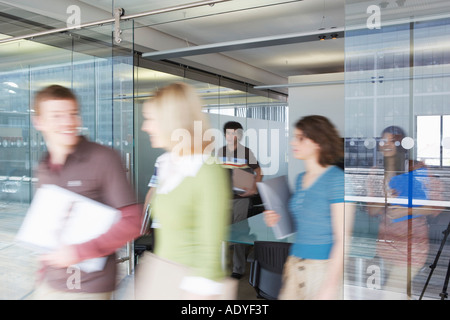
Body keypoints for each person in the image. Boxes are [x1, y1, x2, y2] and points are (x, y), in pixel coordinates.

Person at [30, 84, 141, 299]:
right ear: (39, 122)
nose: (68, 122)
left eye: (73, 114)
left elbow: (133, 221)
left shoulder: (104, 158)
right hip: (49, 283)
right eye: (57, 116)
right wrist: (42, 272)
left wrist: (78, 252)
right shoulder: (43, 166)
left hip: (88, 288)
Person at [140, 82, 231, 299]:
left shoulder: (206, 170)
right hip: (164, 275)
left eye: (151, 119)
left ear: (172, 121)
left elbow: (210, 250)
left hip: (192, 287)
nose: (145, 127)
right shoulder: (166, 163)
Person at [264, 115, 353, 300]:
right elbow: (304, 223)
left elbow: (343, 240)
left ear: (318, 142)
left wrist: (330, 286)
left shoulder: (337, 179)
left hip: (322, 269)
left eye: (300, 138)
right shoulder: (300, 179)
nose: (293, 142)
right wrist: (276, 220)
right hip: (295, 263)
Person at [367, 126, 443, 298]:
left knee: (390, 294)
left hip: (412, 246)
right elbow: (371, 210)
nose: (386, 145)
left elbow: (437, 206)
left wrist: (406, 210)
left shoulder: (417, 169)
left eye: (391, 141)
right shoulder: (376, 172)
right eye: (383, 141)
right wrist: (383, 198)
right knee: (402, 292)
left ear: (401, 145)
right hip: (387, 245)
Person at [216, 121, 263, 279]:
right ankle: (220, 266)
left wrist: (254, 188)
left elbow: (258, 171)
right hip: (223, 198)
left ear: (240, 135)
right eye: (228, 133)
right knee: (222, 232)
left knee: (238, 234)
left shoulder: (246, 152)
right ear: (224, 135)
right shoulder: (220, 152)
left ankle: (238, 268)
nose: (231, 136)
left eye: (234, 133)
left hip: (240, 199)